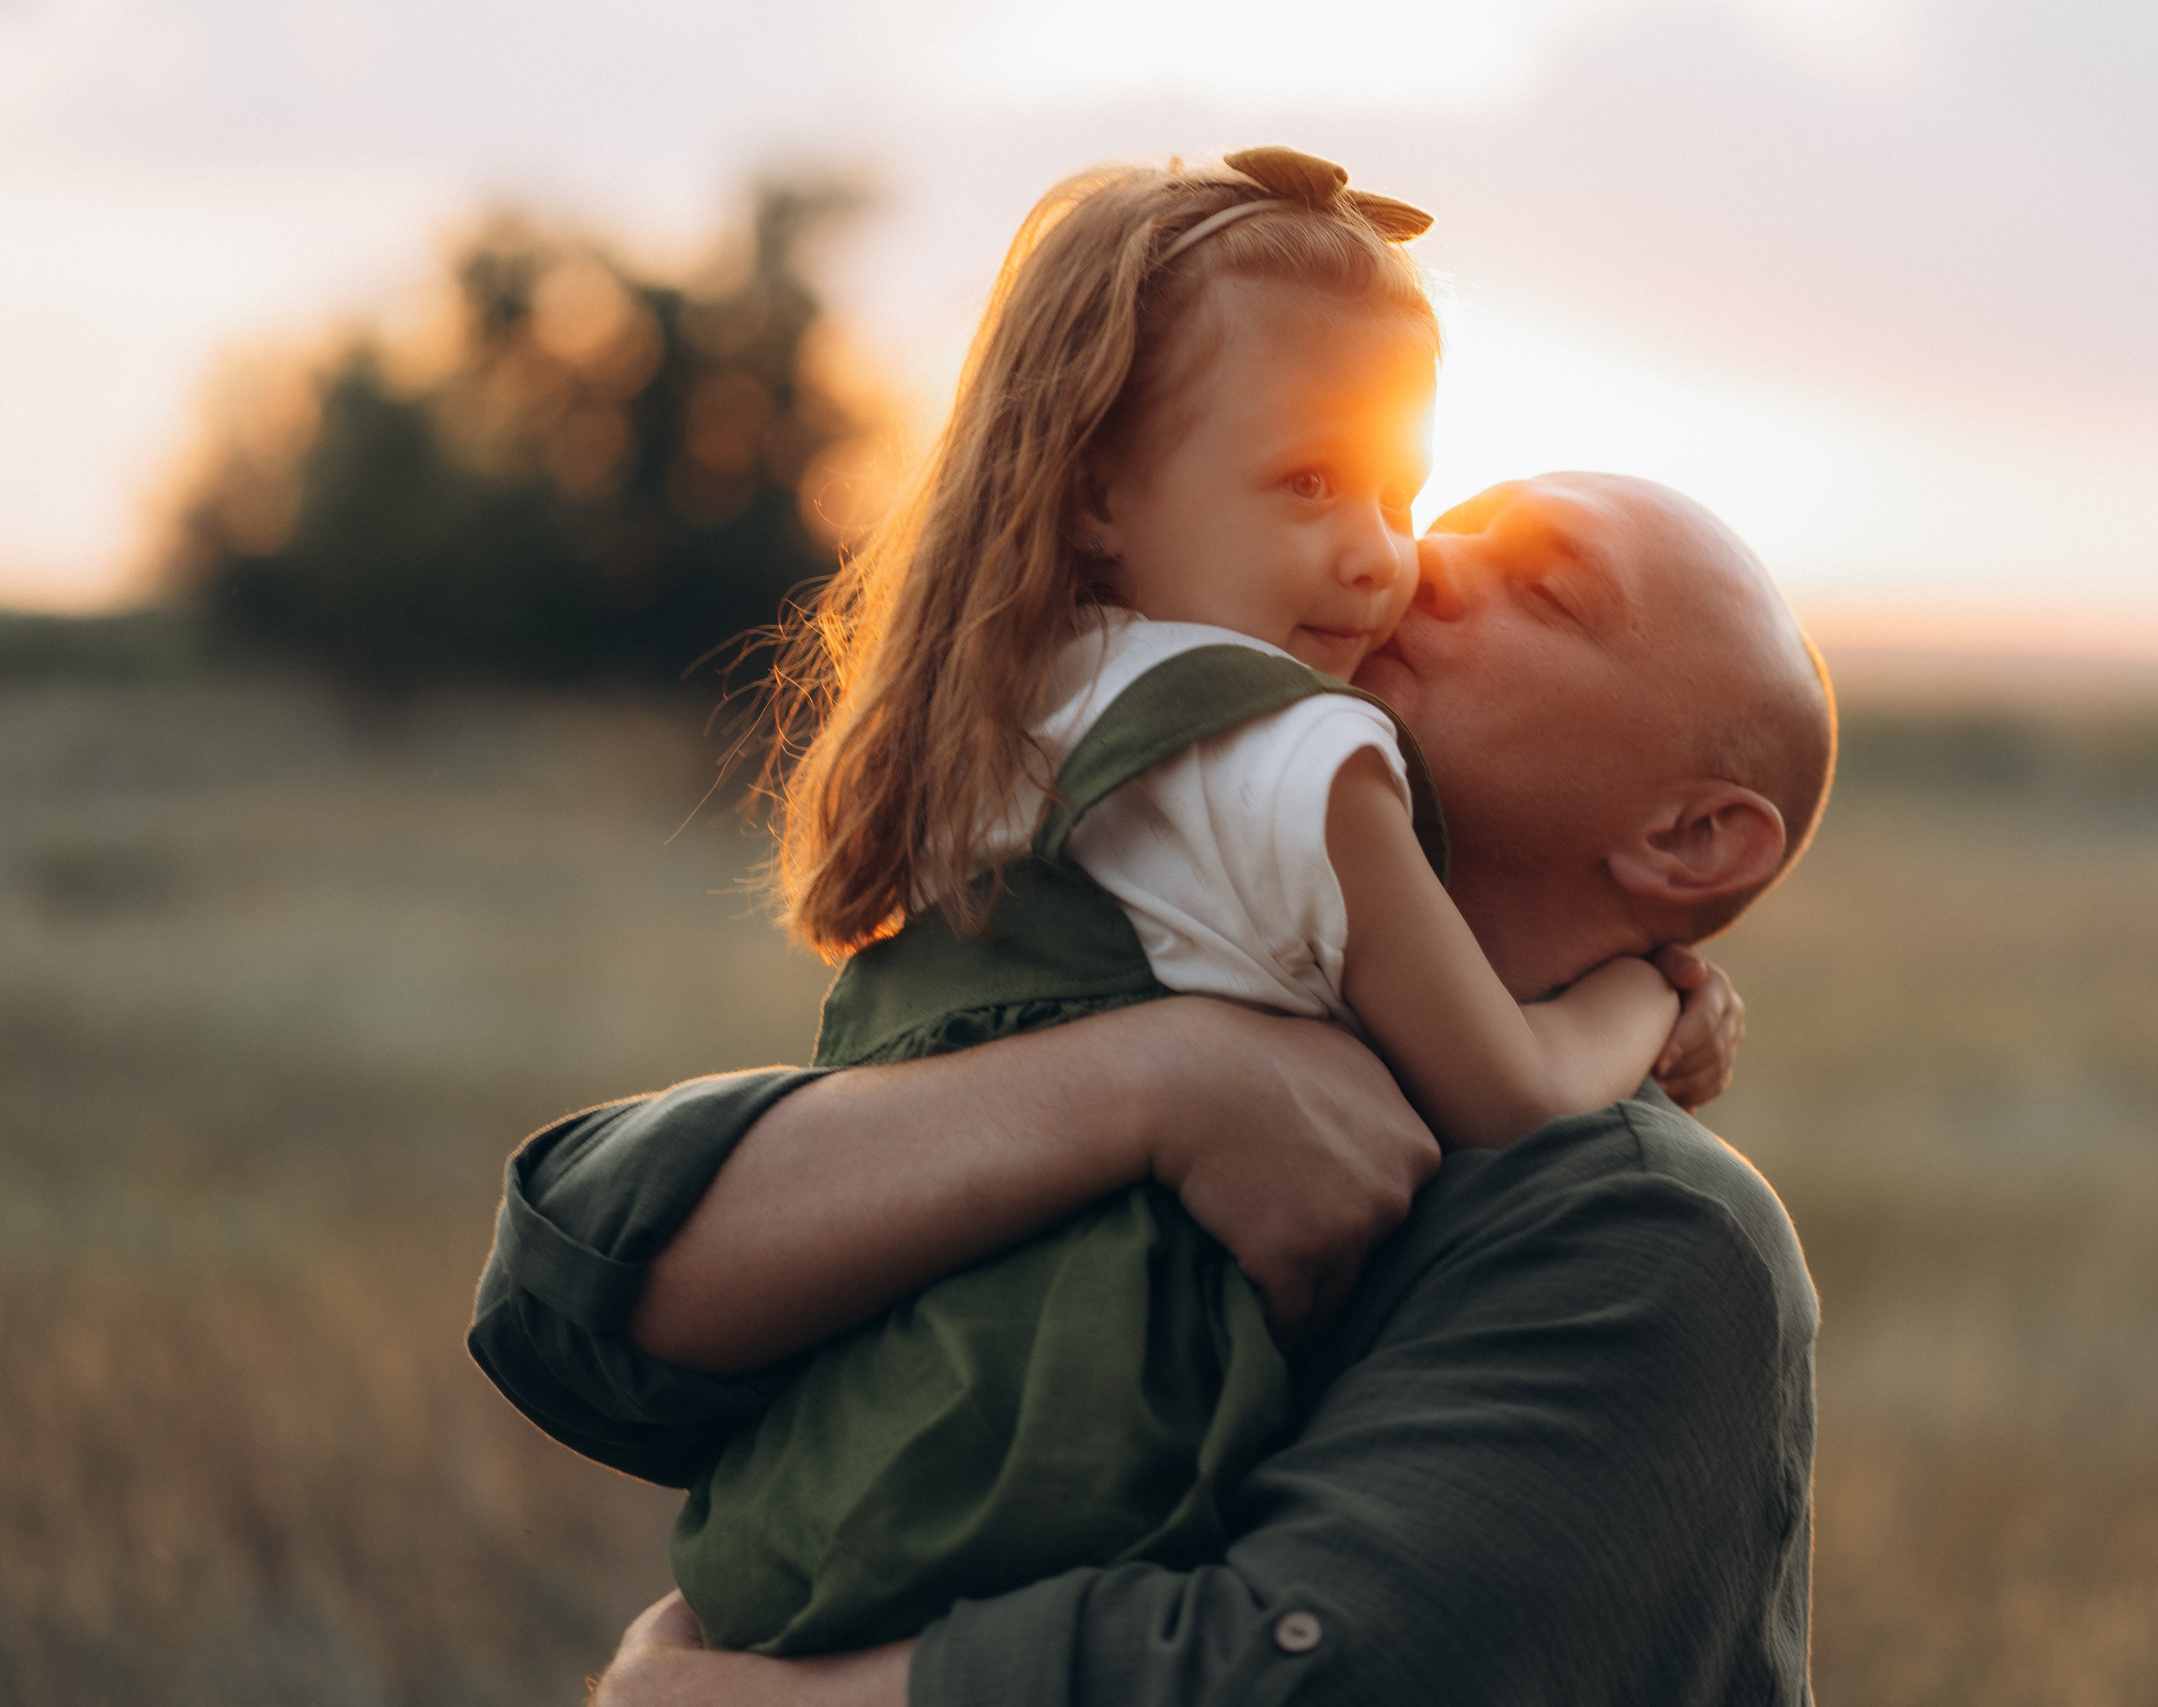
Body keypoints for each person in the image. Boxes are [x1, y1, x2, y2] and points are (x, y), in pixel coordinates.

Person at [470, 468, 1836, 1705]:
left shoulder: (1649, 1237)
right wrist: (1156, 1085)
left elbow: (1314, 1675)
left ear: (1691, 837)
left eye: (1542, 588)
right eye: (1444, 521)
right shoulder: (1136, 999)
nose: (1417, 563)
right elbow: (579, 1308)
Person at [655, 147, 1728, 1655]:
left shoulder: (1004, 714)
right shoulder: (1299, 752)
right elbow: (1516, 1099)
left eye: (1395, 488)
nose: (1382, 557)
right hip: (1082, 1451)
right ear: (1095, 489)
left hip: (857, 1444)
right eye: (1307, 482)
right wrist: (1650, 997)